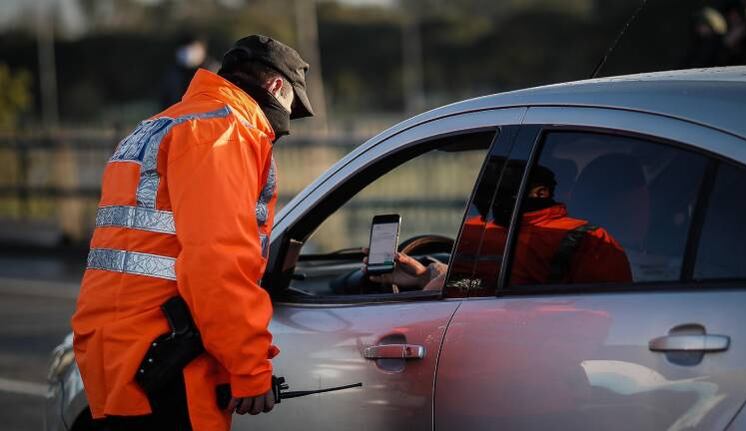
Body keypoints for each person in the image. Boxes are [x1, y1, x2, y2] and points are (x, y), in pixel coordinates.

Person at [71, 35, 314, 431]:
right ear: (275, 86)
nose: (285, 121)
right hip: (168, 358)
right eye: (292, 106)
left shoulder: (159, 125)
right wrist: (250, 367)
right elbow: (217, 260)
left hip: (116, 349)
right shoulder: (224, 131)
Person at [370, 166, 632, 289]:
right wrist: (427, 275)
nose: (487, 200)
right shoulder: (481, 231)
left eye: (501, 189)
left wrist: (436, 284)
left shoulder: (589, 240)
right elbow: (475, 283)